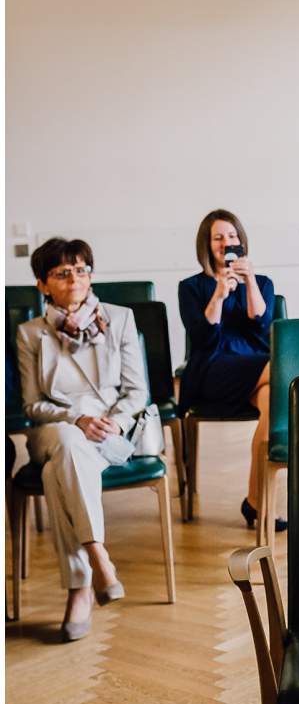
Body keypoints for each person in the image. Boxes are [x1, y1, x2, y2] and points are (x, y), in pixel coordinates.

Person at [15, 238, 150, 641]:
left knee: (63, 468)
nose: (74, 278)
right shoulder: (29, 334)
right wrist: (77, 417)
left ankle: (79, 586)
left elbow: (136, 392)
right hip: (53, 429)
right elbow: (32, 405)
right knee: (67, 442)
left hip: (107, 433)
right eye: (62, 272)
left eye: (81, 270)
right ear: (42, 284)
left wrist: (114, 423)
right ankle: (98, 555)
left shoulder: (119, 319)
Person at [177, 209, 283, 531]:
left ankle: (257, 504)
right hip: (214, 369)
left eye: (232, 236)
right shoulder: (191, 287)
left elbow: (263, 325)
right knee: (281, 374)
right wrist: (220, 293)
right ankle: (258, 504)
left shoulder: (263, 282)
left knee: (270, 405)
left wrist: (249, 281)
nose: (227, 242)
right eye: (219, 237)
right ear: (207, 246)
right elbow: (202, 337)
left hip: (257, 369)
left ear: (241, 241)